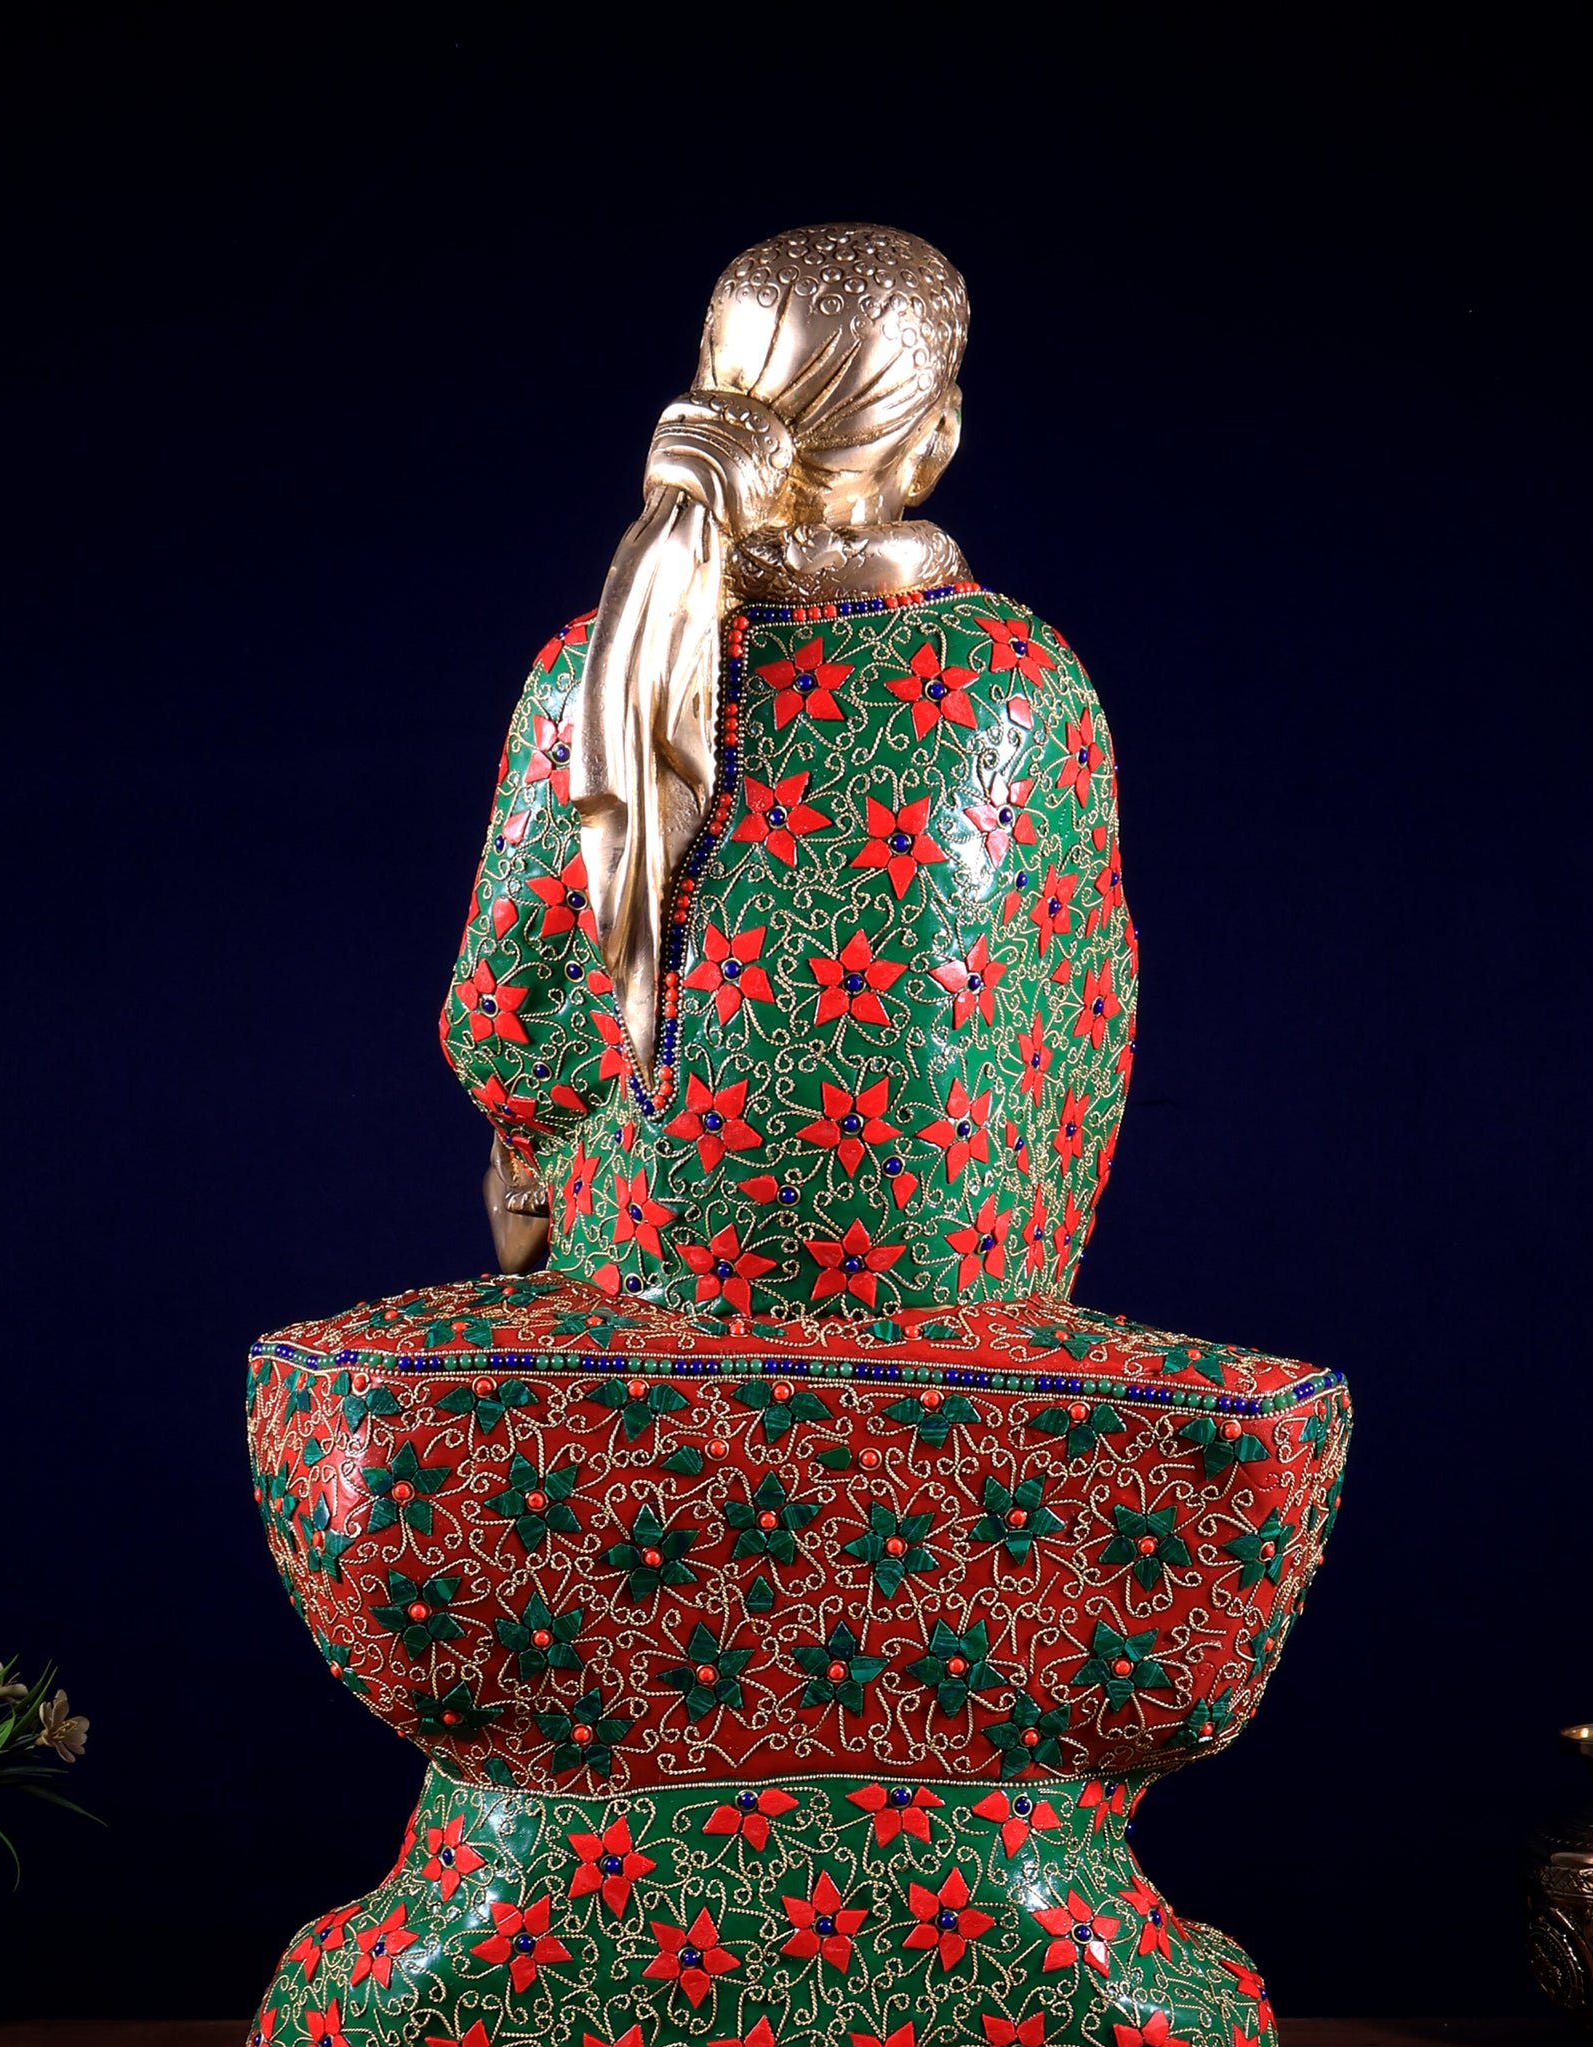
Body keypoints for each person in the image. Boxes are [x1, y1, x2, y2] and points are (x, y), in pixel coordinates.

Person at [444, 224, 1136, 1318]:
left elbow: (500, 1015)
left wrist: (526, 1173)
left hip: (641, 1264)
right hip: (953, 1275)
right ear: (936, 437)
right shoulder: (1021, 677)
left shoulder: (591, 669)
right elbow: (1083, 1017)